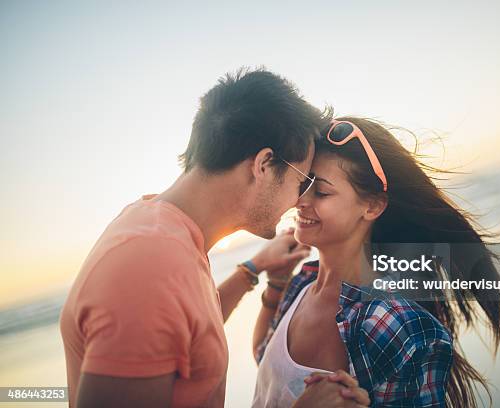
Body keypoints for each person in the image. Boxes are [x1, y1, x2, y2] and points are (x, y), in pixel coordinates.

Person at [59, 70, 369, 408]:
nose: (299, 200)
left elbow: (181, 332)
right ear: (264, 164)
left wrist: (253, 270)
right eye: (302, 180)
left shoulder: (159, 229)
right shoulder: (149, 265)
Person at [252, 117, 500, 407]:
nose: (300, 200)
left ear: (373, 206)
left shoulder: (393, 323)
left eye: (322, 192)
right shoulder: (302, 281)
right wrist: (275, 281)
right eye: (303, 184)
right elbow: (266, 361)